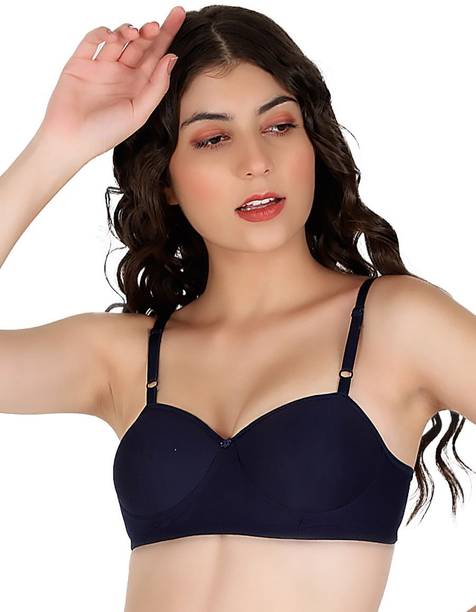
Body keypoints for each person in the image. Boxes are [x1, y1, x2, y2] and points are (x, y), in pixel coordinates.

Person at [1, 5, 475, 612]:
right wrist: (60, 143)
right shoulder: (123, 355)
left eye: (279, 126)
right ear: (165, 179)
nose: (256, 162)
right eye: (213, 138)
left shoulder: (397, 323)